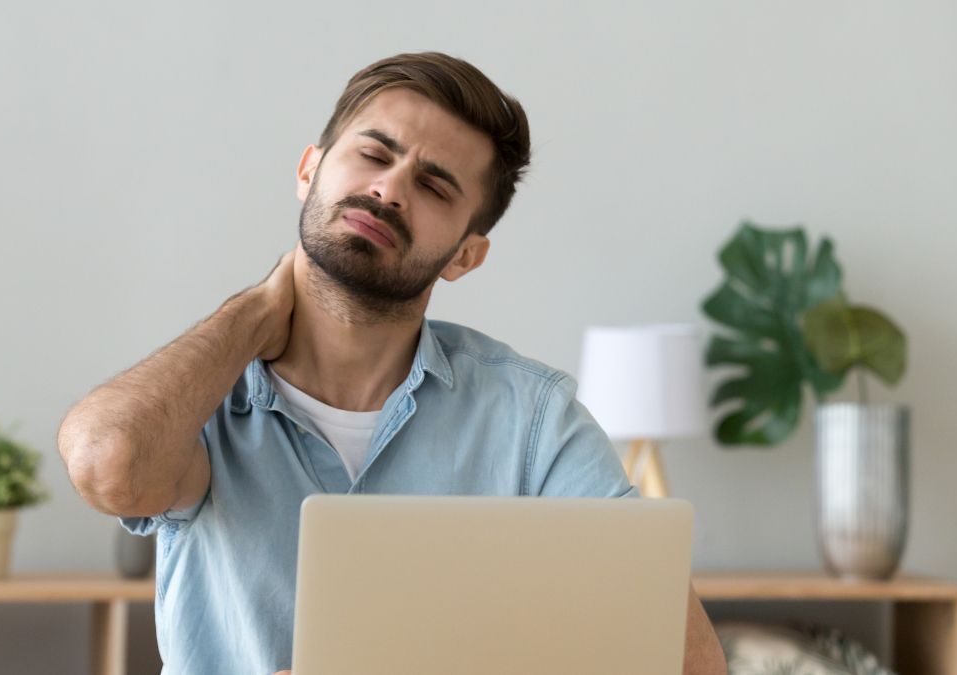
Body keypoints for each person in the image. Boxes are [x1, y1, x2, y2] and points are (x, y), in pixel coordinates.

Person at [58, 51, 726, 675]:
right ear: (308, 170)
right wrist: (258, 310)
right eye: (374, 153)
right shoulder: (203, 397)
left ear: (466, 255)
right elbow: (106, 462)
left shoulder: (531, 418)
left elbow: (688, 658)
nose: (389, 189)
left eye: (434, 186)